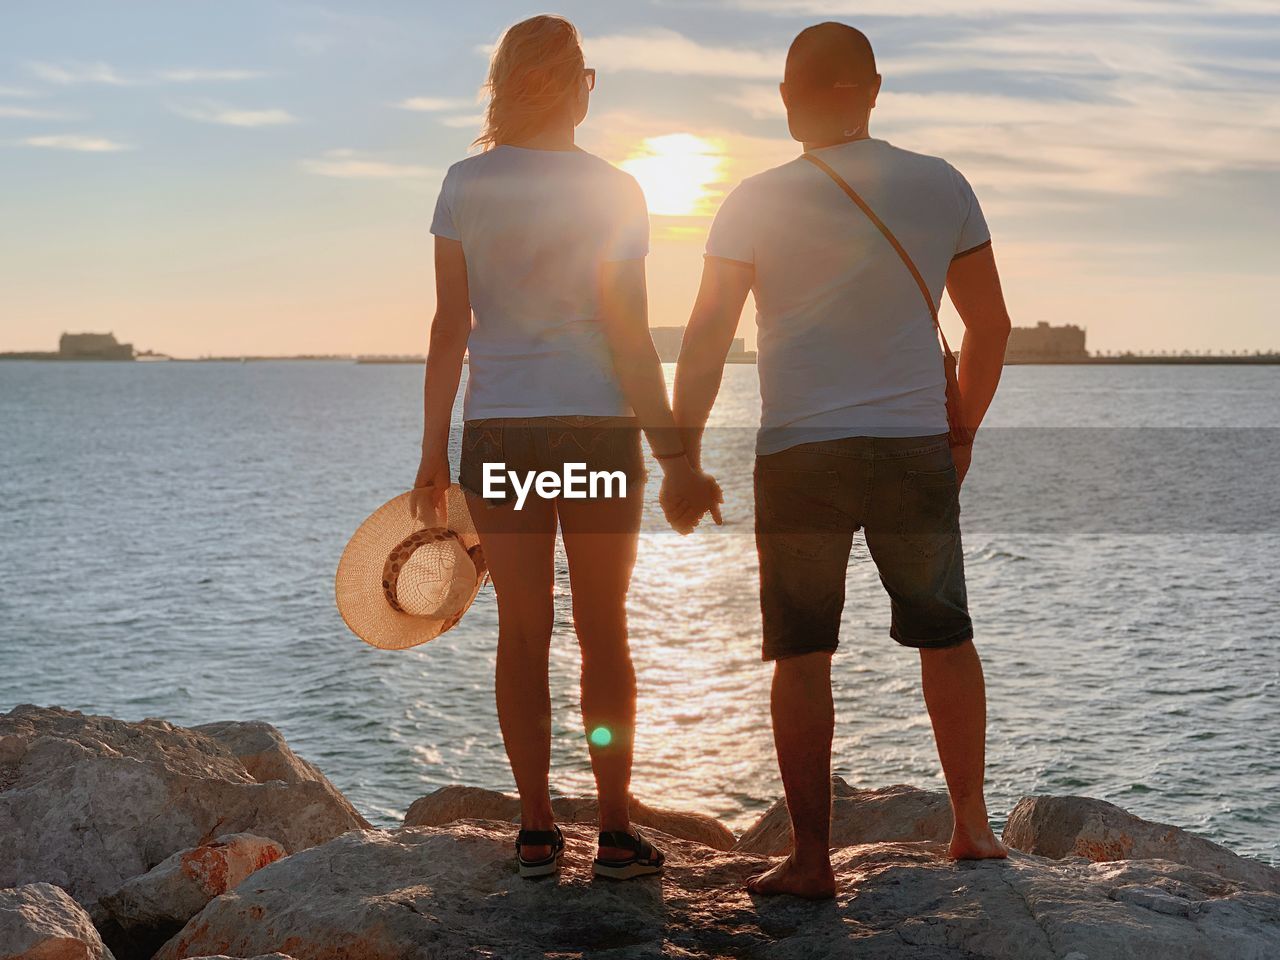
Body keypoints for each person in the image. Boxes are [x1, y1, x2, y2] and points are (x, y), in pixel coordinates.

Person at [668, 22, 1013, 899]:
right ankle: (970, 827)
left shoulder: (753, 199)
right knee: (946, 637)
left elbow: (707, 337)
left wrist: (681, 452)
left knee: (802, 657)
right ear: (872, 89)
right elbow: (991, 326)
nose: (786, 104)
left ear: (807, 96)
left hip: (799, 453)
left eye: (791, 91)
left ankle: (813, 861)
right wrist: (960, 429)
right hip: (910, 449)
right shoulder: (942, 184)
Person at [410, 14, 721, 880]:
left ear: (506, 85)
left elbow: (448, 329)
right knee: (603, 632)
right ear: (580, 84)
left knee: (522, 631)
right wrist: (674, 458)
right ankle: (616, 832)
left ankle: (538, 829)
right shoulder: (615, 189)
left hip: (503, 432)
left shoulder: (464, 183)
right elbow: (630, 338)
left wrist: (433, 451)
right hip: (594, 431)